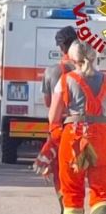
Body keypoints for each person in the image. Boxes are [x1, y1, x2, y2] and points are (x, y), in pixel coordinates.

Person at [42, 40, 106, 214]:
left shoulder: (65, 80)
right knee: (101, 192)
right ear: (94, 57)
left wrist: (54, 144)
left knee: (72, 191)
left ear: (72, 59)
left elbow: (53, 118)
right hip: (101, 137)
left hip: (74, 138)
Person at [35, 26, 77, 212]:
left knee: (61, 172)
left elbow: (48, 102)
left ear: (61, 47)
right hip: (89, 128)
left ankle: (65, 207)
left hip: (60, 129)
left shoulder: (52, 71)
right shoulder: (92, 72)